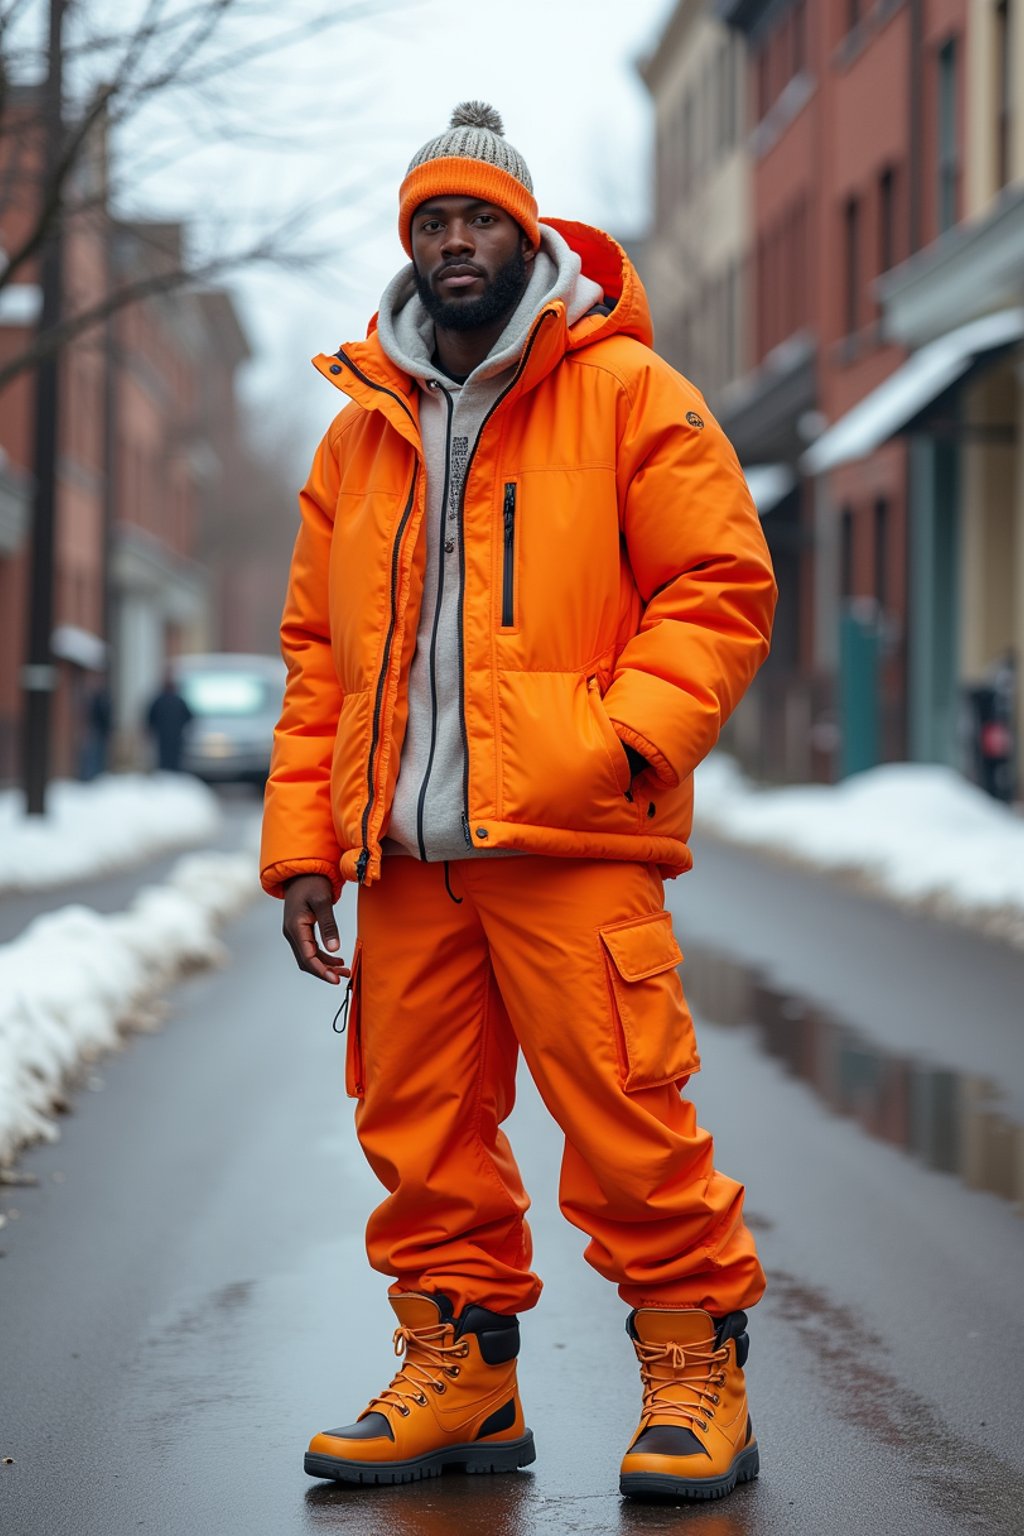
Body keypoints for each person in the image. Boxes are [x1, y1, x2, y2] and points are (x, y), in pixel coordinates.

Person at [260, 102, 776, 1503]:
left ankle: (693, 1372)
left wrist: (618, 747)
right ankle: (465, 1379)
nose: (454, 241)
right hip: (407, 862)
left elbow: (720, 589)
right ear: (412, 244)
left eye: (478, 217)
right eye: (431, 221)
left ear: (526, 232)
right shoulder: (356, 434)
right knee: (419, 1136)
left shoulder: (628, 393)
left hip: (571, 839)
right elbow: (319, 660)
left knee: (626, 1122)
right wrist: (309, 844)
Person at [146, 669, 192, 772]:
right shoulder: (170, 700)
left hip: (169, 734)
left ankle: (168, 773)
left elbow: (189, 717)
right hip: (169, 734)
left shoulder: (171, 700)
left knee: (168, 757)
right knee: (169, 757)